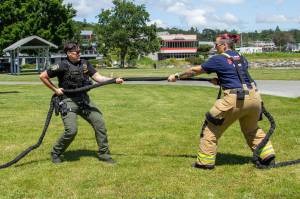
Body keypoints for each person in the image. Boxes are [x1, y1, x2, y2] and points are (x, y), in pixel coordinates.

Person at [168, 34, 275, 170]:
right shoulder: (241, 57)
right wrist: (221, 80)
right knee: (252, 130)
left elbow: (195, 70)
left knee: (211, 128)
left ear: (224, 45)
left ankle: (204, 163)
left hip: (235, 99)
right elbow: (237, 74)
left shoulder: (218, 59)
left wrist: (176, 76)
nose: (215, 47)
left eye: (217, 45)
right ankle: (268, 156)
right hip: (255, 98)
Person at [40, 42, 123, 164]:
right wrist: (55, 89)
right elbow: (43, 76)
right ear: (69, 53)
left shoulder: (85, 64)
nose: (80, 54)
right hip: (68, 100)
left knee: (100, 124)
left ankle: (104, 154)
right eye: (77, 52)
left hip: (84, 100)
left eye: (80, 52)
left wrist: (113, 80)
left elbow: (99, 78)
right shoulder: (61, 65)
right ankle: (56, 152)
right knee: (71, 130)